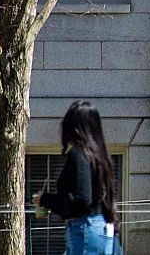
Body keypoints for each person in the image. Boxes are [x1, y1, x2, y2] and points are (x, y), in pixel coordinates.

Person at [32, 101, 120, 255]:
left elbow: (82, 199)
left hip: (85, 228)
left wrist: (46, 200)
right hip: (102, 226)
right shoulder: (101, 156)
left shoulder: (79, 155)